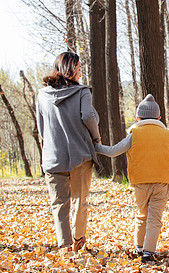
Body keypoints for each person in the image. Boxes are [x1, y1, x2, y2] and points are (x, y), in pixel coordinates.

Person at [95, 94, 169, 262]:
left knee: (141, 214)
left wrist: (93, 146)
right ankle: (148, 253)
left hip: (140, 182)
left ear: (138, 117)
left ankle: (139, 247)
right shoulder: (166, 135)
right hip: (162, 182)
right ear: (159, 117)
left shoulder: (134, 134)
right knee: (155, 218)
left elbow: (112, 151)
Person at [37, 52, 102, 253]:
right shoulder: (82, 92)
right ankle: (78, 240)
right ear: (70, 69)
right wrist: (96, 138)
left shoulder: (42, 95)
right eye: (79, 68)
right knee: (80, 201)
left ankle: (65, 246)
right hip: (79, 156)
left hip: (52, 157)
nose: (81, 72)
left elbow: (41, 128)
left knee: (59, 204)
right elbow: (88, 117)